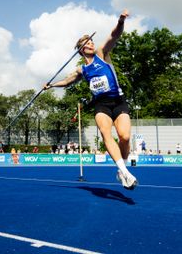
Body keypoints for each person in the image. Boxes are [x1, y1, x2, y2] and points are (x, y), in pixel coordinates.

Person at [43, 10, 138, 190]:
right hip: (101, 105)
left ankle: (122, 169)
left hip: (118, 100)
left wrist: (121, 21)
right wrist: (52, 85)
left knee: (125, 137)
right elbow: (67, 81)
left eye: (92, 40)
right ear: (81, 49)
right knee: (105, 133)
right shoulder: (82, 70)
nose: (92, 43)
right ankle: (124, 171)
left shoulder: (102, 54)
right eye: (88, 42)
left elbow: (114, 35)